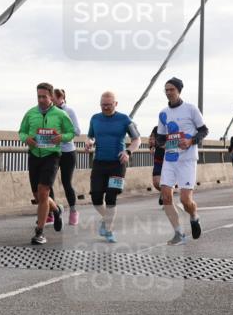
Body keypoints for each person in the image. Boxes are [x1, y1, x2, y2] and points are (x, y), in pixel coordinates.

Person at [19, 82, 74, 244]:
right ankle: (56, 210)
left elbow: (71, 132)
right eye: (39, 96)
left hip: (52, 155)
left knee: (43, 192)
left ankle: (39, 232)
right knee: (37, 195)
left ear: (51, 96)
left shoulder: (60, 114)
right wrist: (26, 139)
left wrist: (61, 138)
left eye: (44, 96)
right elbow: (21, 131)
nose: (41, 99)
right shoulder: (30, 113)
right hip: (34, 155)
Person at [156, 77, 208, 245]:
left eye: (171, 89)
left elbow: (204, 130)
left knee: (185, 200)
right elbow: (161, 136)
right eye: (166, 89)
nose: (168, 92)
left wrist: (191, 141)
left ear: (179, 91)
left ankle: (194, 216)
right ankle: (178, 233)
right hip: (170, 159)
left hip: (187, 159)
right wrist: (162, 144)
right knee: (166, 197)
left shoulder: (191, 109)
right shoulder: (163, 113)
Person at [84, 91, 141, 242]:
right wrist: (89, 142)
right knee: (96, 198)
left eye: (109, 105)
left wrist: (128, 151)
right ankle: (108, 219)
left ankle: (108, 230)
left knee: (111, 197)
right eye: (103, 105)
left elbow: (137, 139)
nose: (106, 108)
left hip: (118, 163)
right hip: (99, 162)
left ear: (116, 104)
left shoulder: (124, 119)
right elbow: (91, 136)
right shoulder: (95, 119)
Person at [52, 88, 82, 224]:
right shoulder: (49, 112)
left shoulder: (69, 111)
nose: (51, 100)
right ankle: (51, 213)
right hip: (51, 151)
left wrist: (61, 134)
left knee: (66, 183)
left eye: (53, 98)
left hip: (68, 152)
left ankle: (73, 210)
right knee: (47, 183)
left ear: (60, 98)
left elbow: (77, 131)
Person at [148, 126, 164, 206]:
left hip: (170, 161)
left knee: (168, 183)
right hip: (158, 160)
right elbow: (151, 140)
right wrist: (151, 147)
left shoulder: (173, 127)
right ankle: (164, 192)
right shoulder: (156, 128)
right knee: (156, 183)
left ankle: (167, 197)